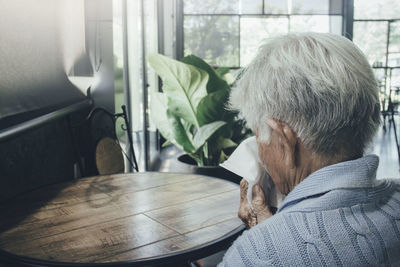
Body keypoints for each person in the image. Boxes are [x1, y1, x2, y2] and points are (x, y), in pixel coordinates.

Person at [218, 32, 400, 266]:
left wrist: (266, 242)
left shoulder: (255, 254)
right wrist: (272, 230)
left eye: (256, 136)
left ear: (285, 141)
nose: (258, 152)